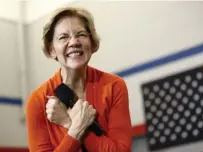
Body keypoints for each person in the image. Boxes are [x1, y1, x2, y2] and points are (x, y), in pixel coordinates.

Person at [26, 6, 132, 152]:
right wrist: (76, 129)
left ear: (92, 43)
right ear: (51, 50)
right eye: (63, 37)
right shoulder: (38, 101)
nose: (74, 42)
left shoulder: (114, 86)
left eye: (81, 34)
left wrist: (69, 121)